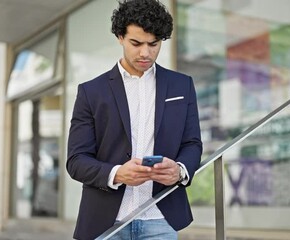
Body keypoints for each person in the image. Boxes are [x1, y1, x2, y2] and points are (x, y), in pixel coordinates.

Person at [66, 0, 202, 239]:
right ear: (120, 37)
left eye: (154, 44)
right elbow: (76, 160)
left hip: (162, 218)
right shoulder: (91, 92)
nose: (145, 53)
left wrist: (180, 171)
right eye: (136, 43)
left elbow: (192, 143)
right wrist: (117, 174)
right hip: (105, 223)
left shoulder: (182, 85)